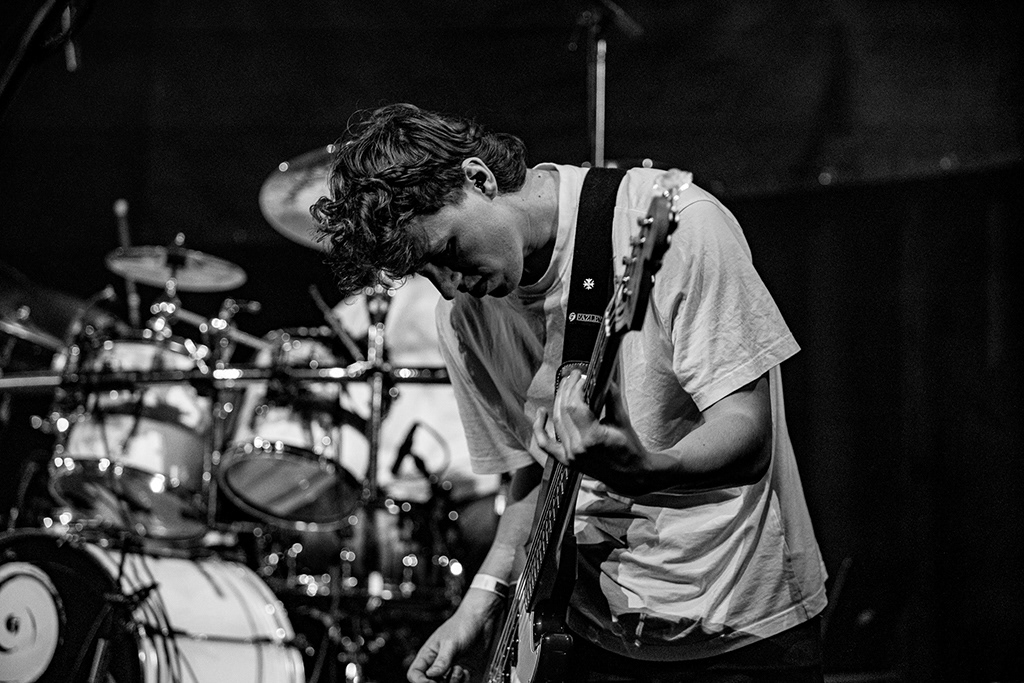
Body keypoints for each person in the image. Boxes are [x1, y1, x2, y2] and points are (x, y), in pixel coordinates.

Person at [311, 103, 828, 683]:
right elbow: (533, 473)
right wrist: (479, 604)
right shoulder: (462, 320)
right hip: (588, 631)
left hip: (736, 622)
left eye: (448, 254)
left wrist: (648, 469)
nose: (451, 287)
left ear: (479, 179)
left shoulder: (676, 224)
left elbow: (749, 435)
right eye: (428, 274)